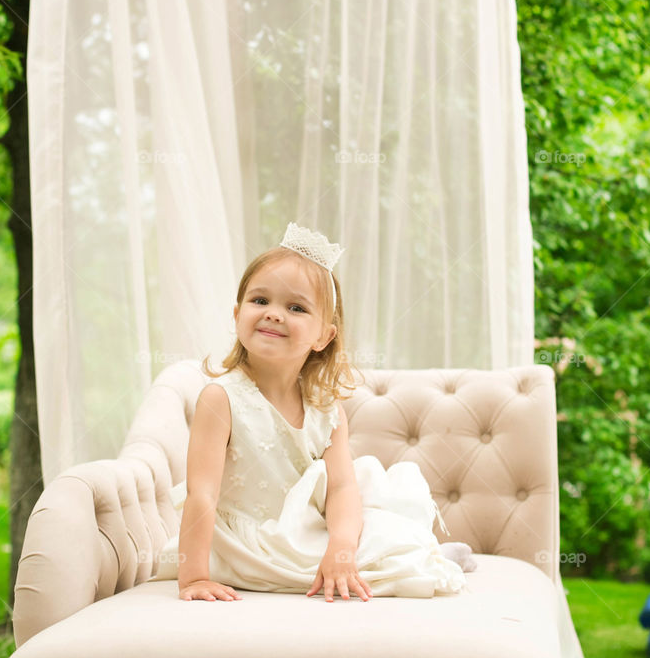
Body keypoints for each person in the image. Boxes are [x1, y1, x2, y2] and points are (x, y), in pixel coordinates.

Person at [151, 223, 477, 602]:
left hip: (305, 527)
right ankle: (420, 558)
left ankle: (419, 550)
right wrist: (193, 578)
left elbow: (341, 487)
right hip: (249, 540)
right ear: (237, 314)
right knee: (339, 566)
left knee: (353, 545)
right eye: (260, 301)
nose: (273, 314)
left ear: (324, 336)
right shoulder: (220, 399)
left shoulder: (326, 410)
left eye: (295, 307)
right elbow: (201, 494)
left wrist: (339, 546)